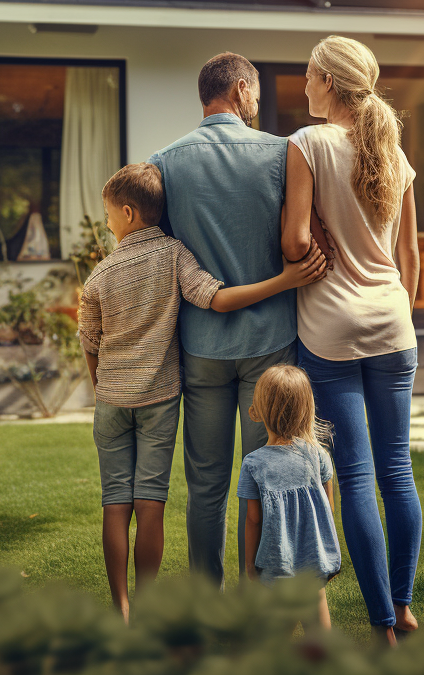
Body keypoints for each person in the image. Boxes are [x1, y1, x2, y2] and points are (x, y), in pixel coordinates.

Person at [78, 162, 326, 621]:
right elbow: (216, 297)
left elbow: (88, 342)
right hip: (157, 401)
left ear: (129, 213)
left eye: (109, 214)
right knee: (150, 503)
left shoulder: (99, 277)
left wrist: (104, 388)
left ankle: (122, 611)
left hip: (111, 401)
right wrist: (284, 281)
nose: (107, 223)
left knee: (116, 504)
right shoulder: (173, 255)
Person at [148, 52, 323, 587]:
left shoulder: (163, 163)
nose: (258, 104)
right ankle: (260, 592)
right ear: (243, 90)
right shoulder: (282, 152)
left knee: (205, 483)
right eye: (257, 95)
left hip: (201, 345)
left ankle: (207, 595)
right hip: (270, 340)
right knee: (269, 473)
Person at [281, 35, 422, 645]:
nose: (303, 86)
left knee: (357, 477)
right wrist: (397, 310)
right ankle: (405, 603)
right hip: (394, 324)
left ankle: (384, 628)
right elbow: (409, 253)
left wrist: (311, 230)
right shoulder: (393, 150)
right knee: (398, 469)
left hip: (330, 330)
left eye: (309, 76)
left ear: (328, 83)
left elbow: (292, 247)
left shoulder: (306, 144)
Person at [238, 364, 341, 627]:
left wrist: (250, 565)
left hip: (277, 561)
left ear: (260, 410)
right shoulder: (317, 455)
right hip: (317, 557)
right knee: (319, 627)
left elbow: (253, 520)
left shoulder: (254, 463)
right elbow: (329, 508)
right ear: (307, 408)